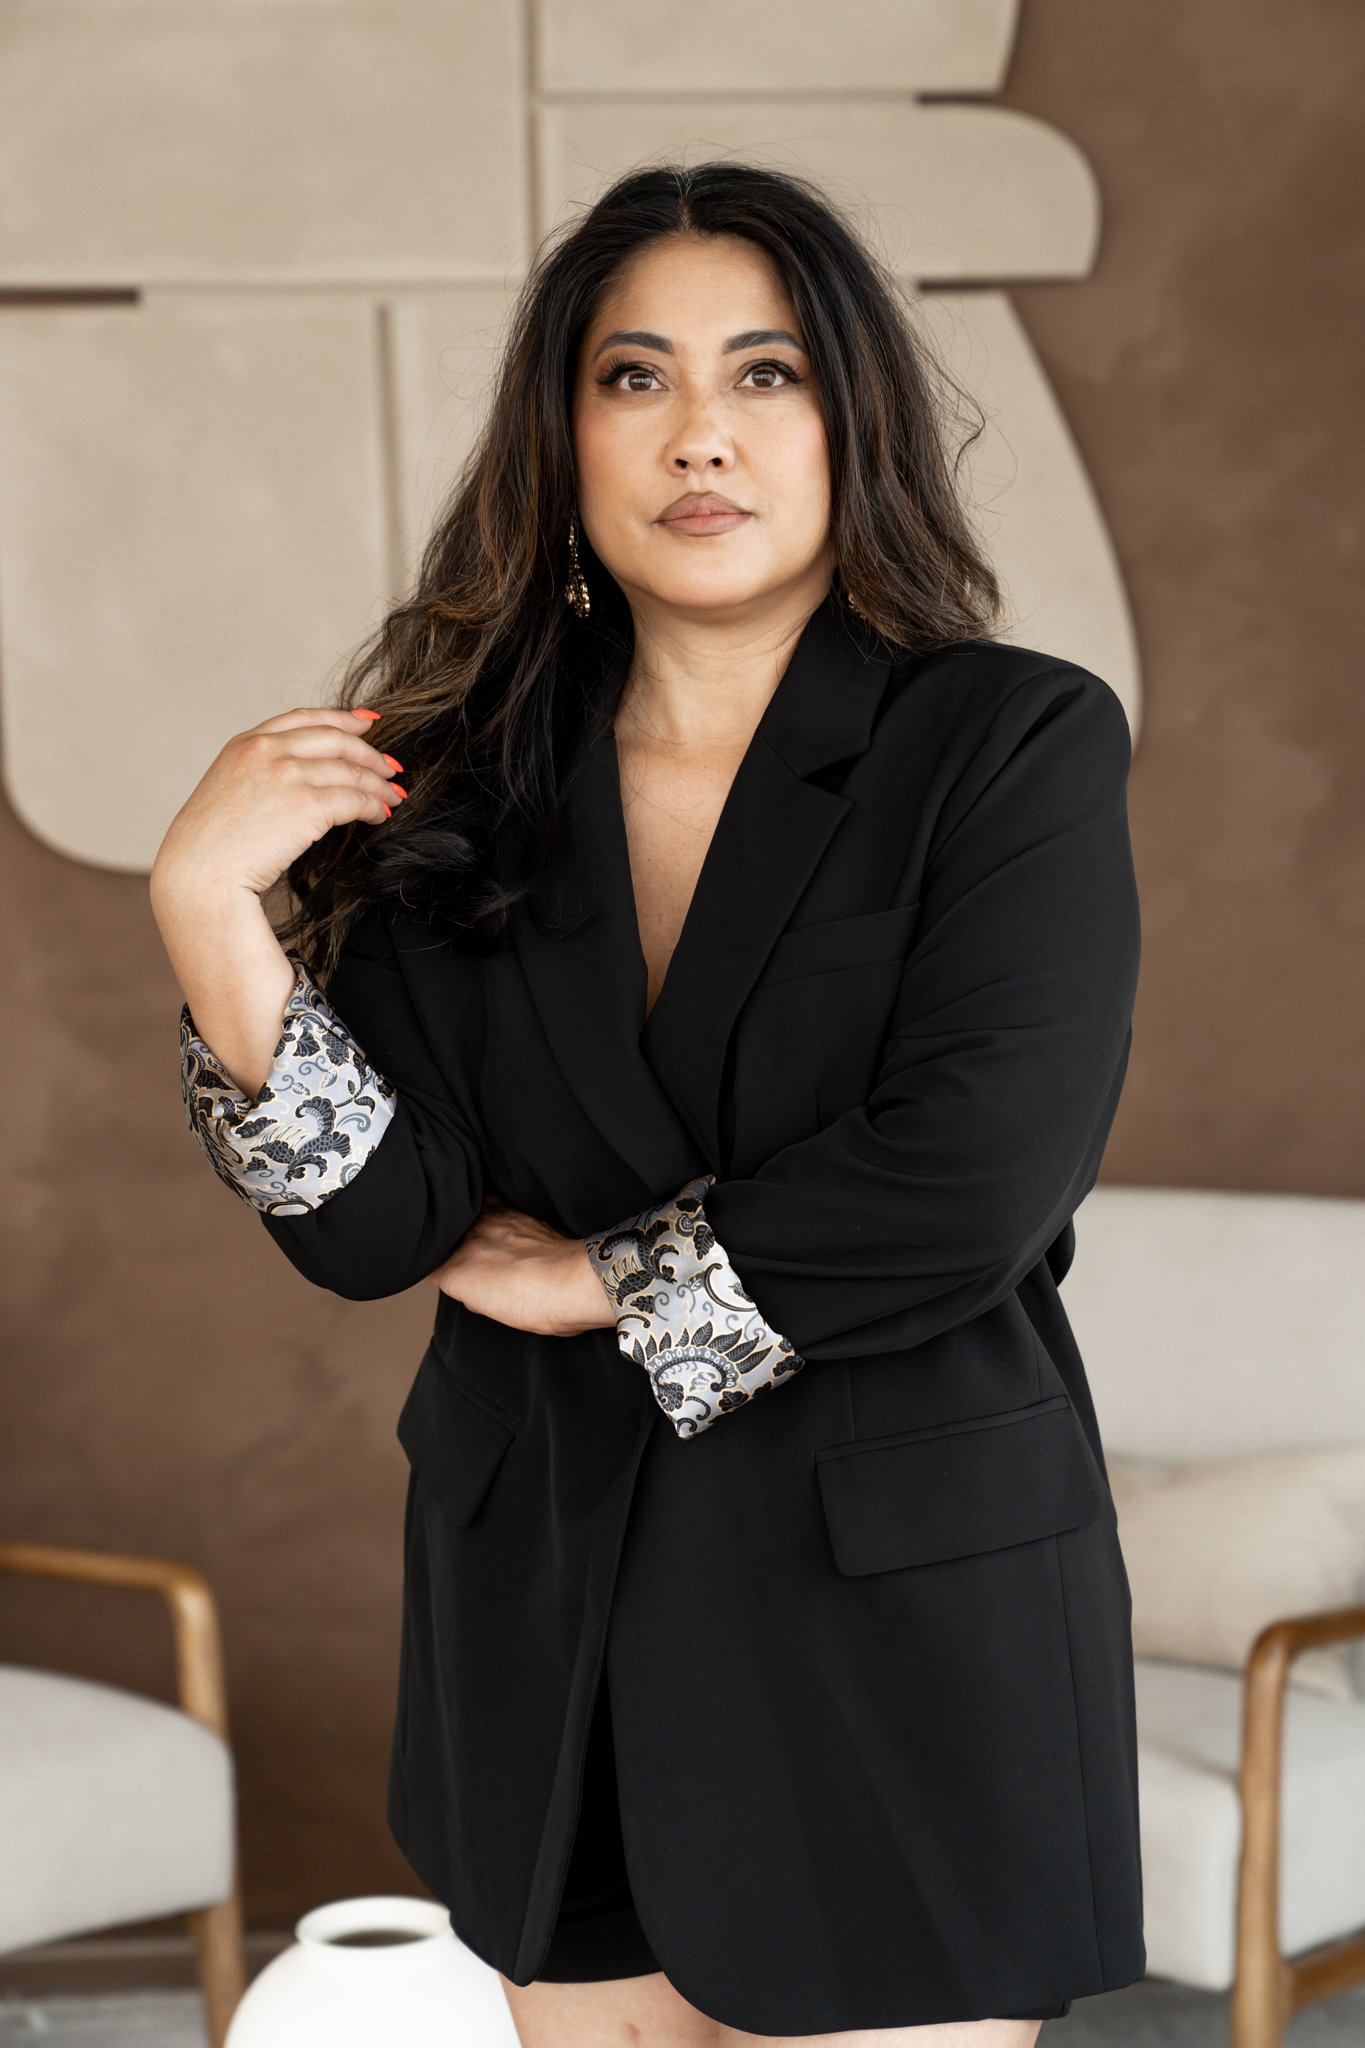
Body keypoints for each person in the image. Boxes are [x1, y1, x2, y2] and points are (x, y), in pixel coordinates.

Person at [151, 163, 1144, 2048]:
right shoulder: (448, 782)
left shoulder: (1005, 740)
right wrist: (210, 913)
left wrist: (602, 1277)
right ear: (563, 434)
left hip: (895, 1625)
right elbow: (378, 1227)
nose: (700, 433)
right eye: (634, 377)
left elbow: (973, 1178)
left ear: (852, 422)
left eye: (766, 373)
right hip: (548, 1611)